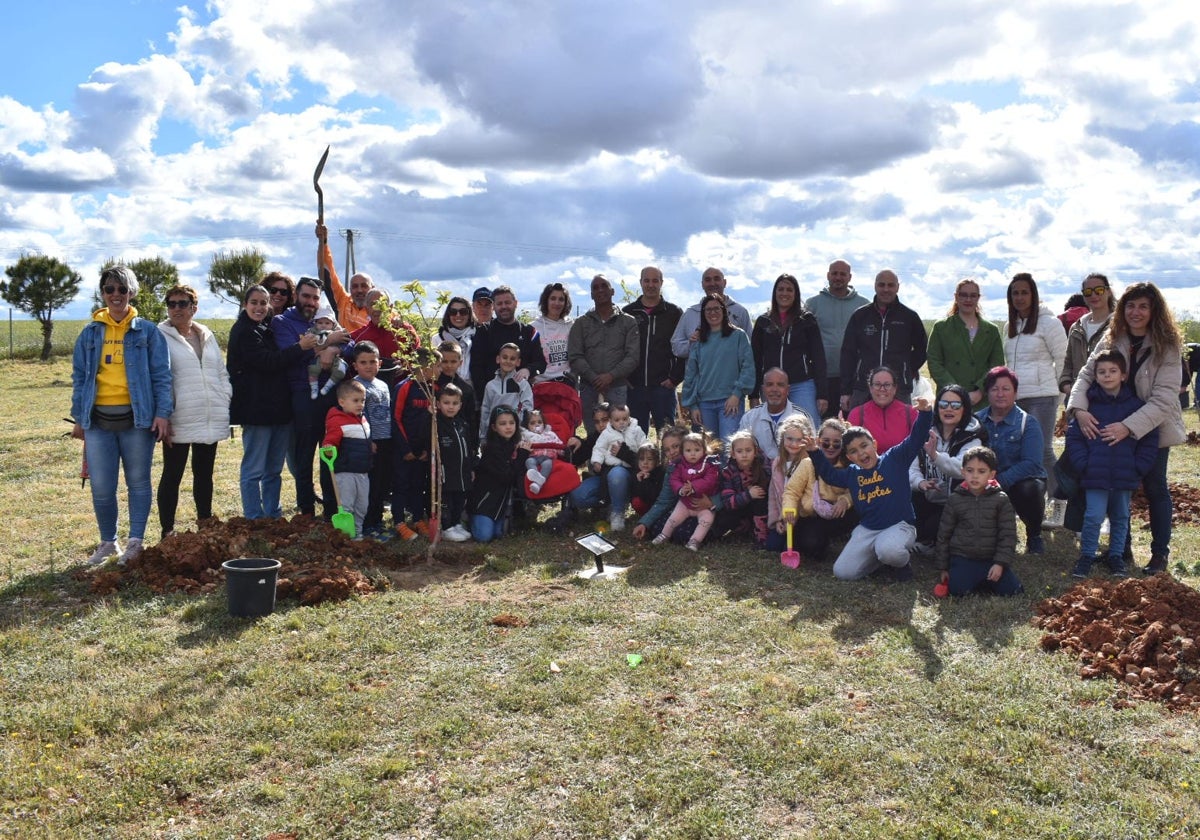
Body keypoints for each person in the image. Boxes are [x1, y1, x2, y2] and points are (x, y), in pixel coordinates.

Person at [1067, 282, 1186, 575]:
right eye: (1130, 306)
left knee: (1155, 486)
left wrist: (1129, 427)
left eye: (1143, 306)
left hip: (1151, 427)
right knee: (1117, 485)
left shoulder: (1167, 344)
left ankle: (1159, 555)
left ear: (1154, 310)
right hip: (1110, 421)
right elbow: (1085, 374)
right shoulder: (1112, 337)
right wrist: (1079, 409)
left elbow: (1165, 397)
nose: (1136, 312)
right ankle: (1121, 551)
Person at [71, 266, 173, 565]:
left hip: (137, 420)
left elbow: (162, 376)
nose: (116, 295)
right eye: (109, 289)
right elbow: (79, 377)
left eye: (122, 289)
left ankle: (136, 542)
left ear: (132, 292)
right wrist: (79, 417)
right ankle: (108, 542)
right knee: (102, 486)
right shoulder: (90, 333)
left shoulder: (148, 332)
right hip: (98, 422)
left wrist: (162, 414)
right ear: (102, 293)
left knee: (138, 481)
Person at [804, 396, 934, 581]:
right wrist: (815, 452)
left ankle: (901, 564)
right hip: (869, 529)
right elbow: (830, 475)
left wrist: (925, 413)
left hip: (899, 525)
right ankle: (881, 560)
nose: (861, 453)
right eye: (854, 451)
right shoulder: (852, 473)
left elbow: (917, 438)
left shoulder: (894, 459)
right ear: (849, 457)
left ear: (874, 444)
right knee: (842, 572)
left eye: (864, 446)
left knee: (889, 550)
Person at [1065, 351, 1158, 579]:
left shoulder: (1136, 406)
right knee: (1093, 516)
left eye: (1113, 371)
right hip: (1094, 474)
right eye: (1102, 372)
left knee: (1120, 516)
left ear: (1124, 375)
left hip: (1125, 474)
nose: (1107, 376)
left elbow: (1149, 437)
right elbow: (1074, 436)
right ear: (1095, 376)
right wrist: (1083, 464)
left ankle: (1116, 555)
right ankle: (1086, 555)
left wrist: (1138, 467)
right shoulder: (1088, 406)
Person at [227, 285, 315, 520]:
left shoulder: (265, 329)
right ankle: (254, 517)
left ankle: (273, 514)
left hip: (279, 410)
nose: (259, 307)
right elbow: (267, 361)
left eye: (263, 303)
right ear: (245, 304)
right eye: (254, 302)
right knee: (254, 469)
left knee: (274, 470)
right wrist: (301, 347)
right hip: (256, 411)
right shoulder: (244, 332)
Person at [156, 284, 231, 536]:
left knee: (204, 474)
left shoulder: (206, 335)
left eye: (182, 303)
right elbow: (158, 377)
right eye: (171, 303)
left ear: (194, 308)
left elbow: (220, 371)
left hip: (208, 414)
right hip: (178, 416)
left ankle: (205, 524)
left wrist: (225, 396)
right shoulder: (158, 336)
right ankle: (167, 531)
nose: (176, 308)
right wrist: (163, 413)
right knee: (172, 474)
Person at [274, 276, 349, 518]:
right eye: (306, 296)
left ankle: (331, 508)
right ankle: (306, 509)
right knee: (304, 454)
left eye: (315, 298)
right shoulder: (282, 322)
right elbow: (291, 353)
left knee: (330, 452)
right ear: (296, 296)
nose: (310, 302)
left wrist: (334, 348)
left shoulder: (325, 320)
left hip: (332, 395)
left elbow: (352, 341)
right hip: (303, 394)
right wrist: (328, 342)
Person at [1003, 272, 1067, 495]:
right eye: (1015, 293)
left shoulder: (1050, 323)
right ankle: (1033, 497)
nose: (1019, 297)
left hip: (1042, 396)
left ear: (1034, 295)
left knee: (1042, 451)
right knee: (1023, 451)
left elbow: (1062, 360)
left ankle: (1060, 498)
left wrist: (1060, 397)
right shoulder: (1009, 327)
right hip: (1017, 399)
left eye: (1024, 292)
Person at [934, 446, 1024, 597]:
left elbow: (1008, 535)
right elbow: (944, 534)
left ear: (992, 474)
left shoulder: (1001, 500)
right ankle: (973, 580)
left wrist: (1000, 563)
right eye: (970, 470)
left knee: (1014, 592)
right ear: (963, 472)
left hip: (991, 559)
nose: (975, 476)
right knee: (956, 591)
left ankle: (988, 580)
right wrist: (943, 567)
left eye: (981, 471)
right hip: (963, 558)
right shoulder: (955, 499)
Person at [976, 366, 1048, 554]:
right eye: (994, 389)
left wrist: (999, 481)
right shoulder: (976, 421)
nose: (1000, 394)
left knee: (1029, 489)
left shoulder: (1028, 422)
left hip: (1020, 481)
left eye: (1006, 389)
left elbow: (1032, 463)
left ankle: (1034, 535)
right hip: (984, 480)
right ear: (987, 393)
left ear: (1015, 393)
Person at [909, 384, 988, 548]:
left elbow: (963, 469)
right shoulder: (926, 431)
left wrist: (935, 456)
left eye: (955, 405)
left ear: (964, 408)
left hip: (958, 504)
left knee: (934, 527)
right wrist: (919, 483)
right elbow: (912, 467)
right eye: (943, 404)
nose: (948, 409)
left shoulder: (973, 438)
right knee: (910, 521)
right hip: (927, 498)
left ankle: (935, 542)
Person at [839, 269, 927, 412]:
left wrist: (905, 369)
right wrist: (845, 391)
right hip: (863, 387)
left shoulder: (909, 317)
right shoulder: (860, 315)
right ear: (875, 286)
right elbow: (848, 353)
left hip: (899, 388)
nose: (886, 289)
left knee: (900, 431)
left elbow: (922, 350)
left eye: (890, 285)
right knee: (858, 432)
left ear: (898, 287)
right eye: (882, 285)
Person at [568, 274, 640, 437]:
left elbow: (633, 357)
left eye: (604, 286)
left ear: (612, 291)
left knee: (619, 433)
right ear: (591, 294)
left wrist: (610, 376)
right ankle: (595, 462)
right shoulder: (581, 323)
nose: (600, 290)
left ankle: (616, 463)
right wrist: (594, 378)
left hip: (618, 387)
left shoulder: (628, 322)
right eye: (595, 288)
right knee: (593, 432)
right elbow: (575, 356)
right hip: (588, 388)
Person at [681, 294, 755, 445]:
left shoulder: (738, 336)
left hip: (730, 402)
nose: (712, 313)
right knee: (709, 451)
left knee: (729, 449)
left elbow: (747, 366)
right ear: (703, 314)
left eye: (716, 308)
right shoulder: (699, 341)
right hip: (704, 405)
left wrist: (736, 394)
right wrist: (693, 405)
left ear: (724, 311)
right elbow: (691, 375)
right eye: (708, 310)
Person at [750, 273, 826, 423]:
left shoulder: (807, 320)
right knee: (772, 429)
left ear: (796, 294)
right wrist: (753, 395)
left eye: (789, 290)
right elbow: (756, 360)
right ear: (775, 292)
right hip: (772, 386)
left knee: (808, 427)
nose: (784, 293)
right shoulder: (763, 322)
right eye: (781, 289)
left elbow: (818, 357)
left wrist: (822, 394)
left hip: (801, 384)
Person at [781, 417, 855, 563]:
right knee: (812, 546)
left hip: (836, 513)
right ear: (818, 441)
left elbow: (856, 489)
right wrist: (789, 509)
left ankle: (846, 539)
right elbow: (792, 491)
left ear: (843, 445)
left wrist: (845, 500)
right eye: (825, 442)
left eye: (836, 443)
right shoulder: (807, 463)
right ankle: (818, 541)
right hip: (812, 515)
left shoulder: (848, 465)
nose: (831, 447)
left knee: (857, 512)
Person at [925, 278, 1005, 408]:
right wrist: (955, 391)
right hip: (949, 401)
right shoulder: (941, 327)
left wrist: (980, 391)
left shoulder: (991, 330)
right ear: (956, 297)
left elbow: (997, 365)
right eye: (963, 295)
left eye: (973, 295)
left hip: (982, 401)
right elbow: (934, 362)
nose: (968, 300)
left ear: (978, 298)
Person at [623, 265, 684, 432]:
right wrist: (624, 376)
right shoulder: (627, 313)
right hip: (634, 388)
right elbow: (619, 347)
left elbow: (684, 348)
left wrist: (675, 378)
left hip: (663, 387)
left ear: (661, 283)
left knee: (668, 439)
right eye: (647, 280)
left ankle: (668, 460)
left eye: (655, 280)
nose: (651, 285)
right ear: (641, 282)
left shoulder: (674, 313)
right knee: (635, 438)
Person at [806, 259, 866, 417]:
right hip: (822, 376)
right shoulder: (812, 304)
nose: (838, 277)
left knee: (851, 422)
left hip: (853, 377)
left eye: (842, 274)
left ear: (850, 277)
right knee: (824, 422)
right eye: (834, 273)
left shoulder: (863, 305)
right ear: (828, 275)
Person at [392, 350, 439, 541]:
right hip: (404, 450)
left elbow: (434, 422)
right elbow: (396, 419)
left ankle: (418, 518)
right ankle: (399, 522)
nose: (440, 369)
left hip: (423, 452)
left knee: (418, 485)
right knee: (401, 485)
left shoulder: (433, 389)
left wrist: (427, 449)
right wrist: (406, 449)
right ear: (425, 367)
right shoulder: (404, 387)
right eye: (436, 366)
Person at [652, 431, 722, 551]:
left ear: (704, 450)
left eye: (697, 450)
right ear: (683, 452)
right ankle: (664, 535)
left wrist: (693, 486)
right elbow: (674, 480)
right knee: (673, 518)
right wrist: (680, 489)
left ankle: (695, 541)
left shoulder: (710, 465)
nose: (692, 454)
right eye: (688, 451)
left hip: (704, 505)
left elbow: (710, 480)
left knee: (706, 521)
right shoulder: (679, 465)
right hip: (685, 503)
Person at [469, 406, 530, 543]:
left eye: (511, 423)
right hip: (485, 501)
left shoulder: (514, 445)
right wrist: (522, 455)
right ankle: (468, 518)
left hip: (501, 503)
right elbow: (507, 477)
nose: (508, 427)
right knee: (484, 536)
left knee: (498, 533)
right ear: (494, 427)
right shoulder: (492, 449)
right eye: (502, 424)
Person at [351, 342, 393, 539]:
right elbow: (357, 414)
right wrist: (368, 440)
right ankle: (367, 524)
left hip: (386, 440)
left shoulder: (383, 385)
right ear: (355, 365)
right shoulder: (356, 386)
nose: (368, 366)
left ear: (380, 363)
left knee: (382, 483)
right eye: (363, 362)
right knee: (370, 485)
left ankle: (378, 521)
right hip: (369, 442)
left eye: (372, 361)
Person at [321, 379, 372, 538]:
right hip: (345, 471)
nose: (360, 404)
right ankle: (347, 535)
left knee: (362, 506)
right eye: (355, 400)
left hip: (362, 470)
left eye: (362, 400)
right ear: (342, 402)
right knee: (347, 505)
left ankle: (358, 532)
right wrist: (329, 446)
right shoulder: (337, 420)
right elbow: (330, 440)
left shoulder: (362, 418)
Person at [469, 285, 545, 387]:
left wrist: (528, 370)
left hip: (522, 396)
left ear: (515, 303)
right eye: (499, 303)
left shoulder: (529, 332)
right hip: (491, 396)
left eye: (507, 302)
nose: (504, 306)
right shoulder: (484, 331)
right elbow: (476, 368)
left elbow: (541, 363)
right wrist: (486, 396)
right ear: (494, 307)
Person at [669, 267, 752, 360]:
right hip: (698, 374)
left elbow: (750, 347)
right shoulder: (690, 313)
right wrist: (692, 345)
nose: (712, 283)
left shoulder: (740, 312)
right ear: (702, 285)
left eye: (716, 279)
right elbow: (676, 346)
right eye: (708, 280)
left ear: (724, 283)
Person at [1060, 273, 1116, 396]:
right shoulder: (1076, 328)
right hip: (1077, 399)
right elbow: (1068, 364)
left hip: (1110, 399)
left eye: (1099, 290)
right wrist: (1067, 386)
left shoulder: (1119, 326)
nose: (1094, 295)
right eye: (1088, 292)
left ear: (1109, 291)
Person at [435, 383, 476, 542]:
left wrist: (471, 467)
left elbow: (469, 447)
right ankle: (446, 527)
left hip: (462, 471)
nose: (450, 407)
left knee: (460, 499)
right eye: (446, 403)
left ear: (460, 405)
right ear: (438, 404)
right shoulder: (436, 423)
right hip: (446, 471)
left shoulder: (462, 424)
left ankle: (456, 522)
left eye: (454, 403)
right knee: (447, 500)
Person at [844, 366, 919, 454]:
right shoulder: (856, 414)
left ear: (895, 388)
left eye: (887, 385)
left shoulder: (911, 413)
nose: (882, 389)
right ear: (870, 388)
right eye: (877, 384)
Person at [715, 430, 771, 546]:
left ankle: (761, 536)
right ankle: (744, 527)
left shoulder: (763, 468)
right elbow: (728, 502)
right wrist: (748, 494)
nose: (744, 455)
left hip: (760, 508)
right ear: (733, 454)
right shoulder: (727, 472)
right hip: (739, 507)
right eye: (739, 451)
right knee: (723, 519)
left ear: (755, 452)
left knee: (760, 498)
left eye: (748, 450)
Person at [739, 367, 807, 460]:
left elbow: (810, 454)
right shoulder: (749, 418)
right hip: (759, 472)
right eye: (769, 384)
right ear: (763, 389)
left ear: (788, 390)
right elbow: (741, 452)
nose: (774, 389)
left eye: (780, 385)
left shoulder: (802, 417)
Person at [631, 427, 686, 539]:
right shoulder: (671, 470)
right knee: (656, 528)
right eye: (667, 449)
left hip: (709, 509)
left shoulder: (705, 463)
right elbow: (664, 501)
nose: (672, 452)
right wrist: (644, 523)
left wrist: (709, 503)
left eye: (676, 446)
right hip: (682, 510)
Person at [317, 222, 374, 331]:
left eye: (364, 286)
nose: (359, 290)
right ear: (350, 289)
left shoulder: (380, 310)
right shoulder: (344, 302)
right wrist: (323, 242)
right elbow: (329, 272)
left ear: (372, 288)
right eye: (355, 286)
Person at [478, 343, 535, 440]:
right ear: (498, 359)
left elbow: (527, 409)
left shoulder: (522, 384)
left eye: (512, 359)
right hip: (494, 434)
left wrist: (518, 428)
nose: (508, 361)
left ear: (518, 362)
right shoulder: (490, 385)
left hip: (515, 433)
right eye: (504, 357)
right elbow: (485, 411)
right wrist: (483, 437)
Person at [532, 282, 575, 384]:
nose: (557, 303)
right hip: (542, 385)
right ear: (546, 300)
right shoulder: (534, 327)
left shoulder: (571, 325)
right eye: (553, 298)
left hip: (567, 383)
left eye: (561, 299)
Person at [433, 340, 477, 437]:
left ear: (460, 363)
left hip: (460, 436)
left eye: (453, 362)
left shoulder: (466, 389)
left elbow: (471, 419)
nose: (449, 365)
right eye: (445, 361)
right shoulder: (431, 385)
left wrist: (473, 446)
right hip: (435, 436)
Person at [307, 304, 351, 399]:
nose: (323, 325)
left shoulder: (338, 333)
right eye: (320, 322)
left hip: (335, 359)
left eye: (327, 323)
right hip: (318, 358)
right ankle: (314, 388)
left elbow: (349, 342)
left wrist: (337, 349)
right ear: (315, 323)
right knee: (313, 370)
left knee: (341, 370)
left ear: (333, 324)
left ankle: (328, 386)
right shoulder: (312, 332)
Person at [521, 409, 565, 495]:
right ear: (527, 426)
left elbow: (558, 443)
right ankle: (535, 474)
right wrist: (523, 446)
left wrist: (561, 451)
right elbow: (521, 443)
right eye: (532, 423)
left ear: (544, 424)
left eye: (539, 422)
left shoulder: (550, 434)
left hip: (547, 457)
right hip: (534, 456)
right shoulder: (527, 435)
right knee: (529, 461)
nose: (536, 424)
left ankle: (538, 484)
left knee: (547, 464)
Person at [437, 296, 478, 384]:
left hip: (473, 390)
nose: (458, 315)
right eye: (453, 312)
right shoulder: (437, 339)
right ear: (448, 314)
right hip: (444, 389)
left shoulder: (478, 337)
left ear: (469, 314)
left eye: (463, 312)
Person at [631, 443, 665, 518]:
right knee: (636, 502)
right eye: (642, 459)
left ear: (656, 461)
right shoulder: (636, 474)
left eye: (649, 459)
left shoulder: (660, 473)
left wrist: (647, 481)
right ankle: (645, 516)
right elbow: (636, 495)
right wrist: (641, 482)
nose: (645, 462)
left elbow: (655, 496)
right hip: (645, 506)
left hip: (658, 505)